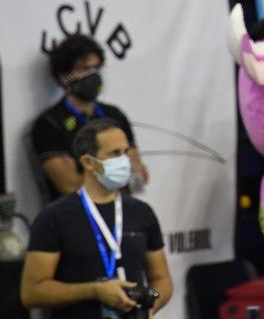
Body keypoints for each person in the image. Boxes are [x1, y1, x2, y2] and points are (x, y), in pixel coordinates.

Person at [20, 120, 173, 318]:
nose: (125, 160)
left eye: (126, 152)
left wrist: (151, 302)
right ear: (88, 162)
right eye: (114, 153)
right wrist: (94, 291)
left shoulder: (141, 212)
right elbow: (32, 293)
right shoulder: (54, 216)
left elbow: (161, 279)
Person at [30, 34, 148, 200]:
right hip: (73, 218)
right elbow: (70, 187)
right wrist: (117, 171)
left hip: (119, 212)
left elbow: (139, 178)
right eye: (84, 69)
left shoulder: (115, 116)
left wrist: (90, 172)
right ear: (64, 76)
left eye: (96, 68)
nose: (92, 75)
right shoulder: (49, 124)